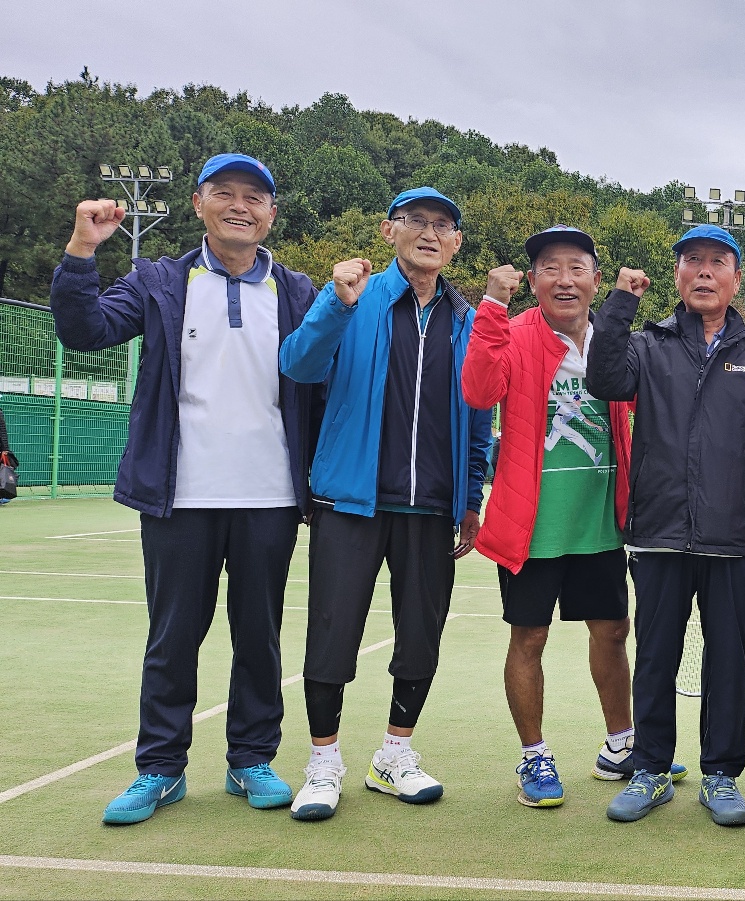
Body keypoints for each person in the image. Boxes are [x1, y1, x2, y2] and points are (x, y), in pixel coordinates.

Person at [51, 153, 319, 824]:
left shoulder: (296, 291)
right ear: (199, 203)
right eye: (224, 193)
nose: (240, 205)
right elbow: (85, 330)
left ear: (271, 214)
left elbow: (327, 376)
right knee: (173, 636)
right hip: (179, 496)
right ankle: (161, 768)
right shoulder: (159, 280)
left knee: (260, 635)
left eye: (254, 196)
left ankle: (251, 758)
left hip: (270, 498)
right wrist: (84, 248)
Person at [278, 187, 493, 821]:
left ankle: (394, 755)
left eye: (443, 226)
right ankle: (323, 763)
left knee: (422, 635)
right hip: (350, 500)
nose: (430, 234)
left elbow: (479, 415)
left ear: (456, 244)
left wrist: (470, 496)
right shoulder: (353, 296)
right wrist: (332, 306)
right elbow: (298, 365)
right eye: (417, 222)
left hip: (432, 505)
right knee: (332, 632)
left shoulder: (469, 318)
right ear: (388, 230)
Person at [461, 225, 685, 809]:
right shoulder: (510, 333)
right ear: (533, 280)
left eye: (577, 267)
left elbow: (655, 405)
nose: (565, 279)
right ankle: (534, 754)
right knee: (528, 637)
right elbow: (480, 392)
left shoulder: (615, 341)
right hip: (530, 523)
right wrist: (490, 308)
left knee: (612, 632)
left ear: (593, 278)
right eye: (551, 268)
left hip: (603, 521)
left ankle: (621, 745)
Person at [587, 224, 745, 827]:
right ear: (677, 275)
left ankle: (721, 774)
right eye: (692, 262)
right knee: (655, 654)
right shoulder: (647, 346)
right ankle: (651, 768)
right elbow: (603, 378)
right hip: (656, 532)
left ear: (737, 278)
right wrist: (621, 304)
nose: (704, 272)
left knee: (729, 658)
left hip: (734, 539)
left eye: (717, 262)